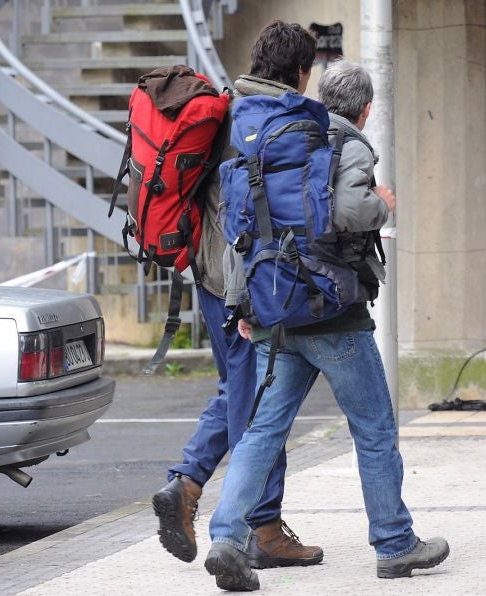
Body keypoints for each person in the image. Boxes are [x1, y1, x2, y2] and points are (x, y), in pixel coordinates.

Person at [201, 59, 449, 590]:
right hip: (335, 316)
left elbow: (243, 230)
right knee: (375, 429)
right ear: (365, 108)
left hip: (275, 312)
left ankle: (225, 538)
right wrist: (381, 205)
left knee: (264, 431)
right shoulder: (347, 143)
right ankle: (395, 544)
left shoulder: (277, 141)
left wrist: (244, 307)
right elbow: (351, 210)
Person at [153, 20, 322, 569]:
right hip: (247, 284)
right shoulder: (277, 118)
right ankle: (264, 528)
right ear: (300, 71)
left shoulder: (224, 109)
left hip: (208, 276)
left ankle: (187, 485)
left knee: (237, 391)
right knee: (261, 402)